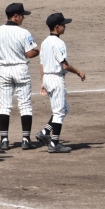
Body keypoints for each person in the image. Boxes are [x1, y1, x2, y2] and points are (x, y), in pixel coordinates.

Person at [0, 3, 40, 151]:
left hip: (4, 70)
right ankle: (26, 140)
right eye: (22, 15)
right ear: (16, 16)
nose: (23, 18)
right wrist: (39, 50)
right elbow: (30, 54)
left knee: (4, 106)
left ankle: (4, 140)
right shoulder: (24, 33)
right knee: (25, 105)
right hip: (20, 70)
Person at [36, 13, 86, 154]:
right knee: (59, 112)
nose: (65, 27)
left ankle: (44, 132)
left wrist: (43, 81)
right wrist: (78, 72)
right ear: (57, 27)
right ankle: (54, 143)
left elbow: (42, 64)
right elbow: (64, 65)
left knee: (64, 109)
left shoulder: (44, 42)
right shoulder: (58, 43)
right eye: (63, 25)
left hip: (47, 77)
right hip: (56, 78)